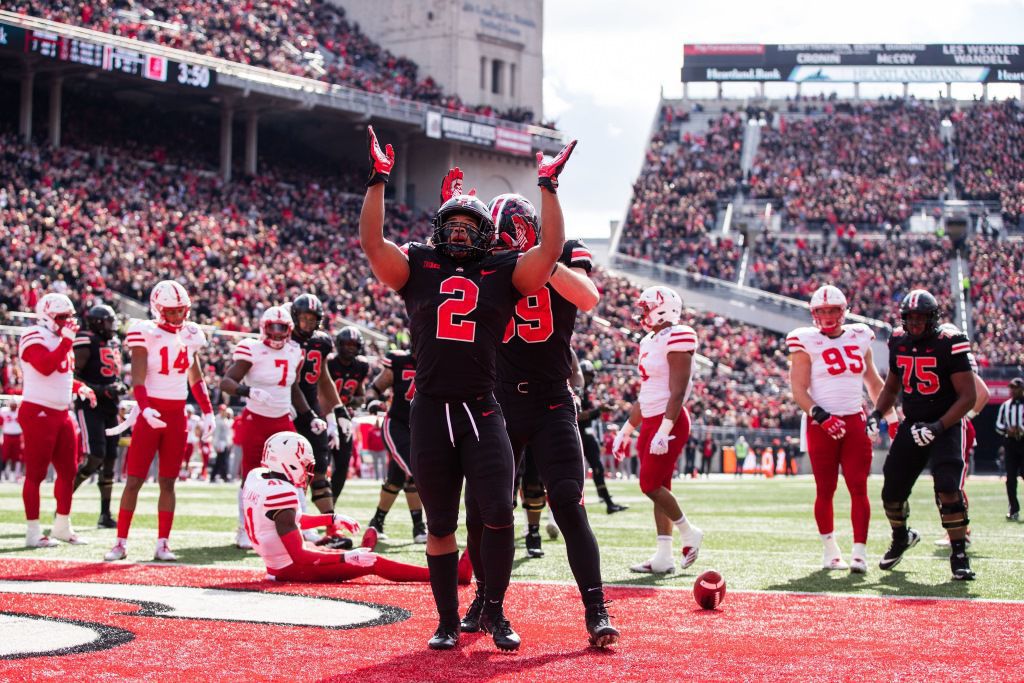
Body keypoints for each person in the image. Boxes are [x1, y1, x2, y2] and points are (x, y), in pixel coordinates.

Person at [359, 126, 572, 651]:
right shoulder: (419, 265)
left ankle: (494, 613)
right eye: (450, 224)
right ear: (437, 229)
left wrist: (547, 189)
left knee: (498, 514)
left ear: (484, 234)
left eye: (467, 225)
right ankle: (448, 621)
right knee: (440, 523)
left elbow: (549, 251)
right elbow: (371, 242)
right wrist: (377, 181)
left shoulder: (501, 269)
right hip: (431, 408)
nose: (457, 233)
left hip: (482, 406)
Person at [455, 185, 618, 648]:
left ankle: (596, 608)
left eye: (502, 239)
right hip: (497, 401)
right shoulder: (485, 261)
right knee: (483, 508)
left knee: (568, 500)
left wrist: (541, 259)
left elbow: (587, 297)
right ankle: (487, 602)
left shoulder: (561, 251)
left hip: (550, 400)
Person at [243, 431, 470, 584]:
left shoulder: (259, 478)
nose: (307, 471)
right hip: (292, 568)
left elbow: (289, 520)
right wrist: (346, 558)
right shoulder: (281, 493)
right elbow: (301, 555)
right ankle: (450, 577)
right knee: (372, 562)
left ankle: (362, 549)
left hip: (278, 565)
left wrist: (331, 518)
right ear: (288, 461)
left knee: (341, 552)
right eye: (304, 464)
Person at [868, 289, 977, 581]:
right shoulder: (898, 340)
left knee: (947, 488)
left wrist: (939, 427)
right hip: (914, 423)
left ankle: (959, 555)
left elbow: (968, 396)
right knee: (891, 489)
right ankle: (901, 537)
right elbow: (891, 387)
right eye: (910, 319)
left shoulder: (950, 342)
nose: (914, 325)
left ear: (933, 318)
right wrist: (876, 414)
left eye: (921, 319)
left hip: (945, 424)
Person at [787, 284, 895, 573]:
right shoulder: (805, 341)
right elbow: (798, 388)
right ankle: (831, 550)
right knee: (825, 489)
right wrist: (821, 416)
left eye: (832, 310)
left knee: (859, 486)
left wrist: (891, 417)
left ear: (844, 311)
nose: (827, 316)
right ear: (813, 314)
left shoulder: (860, 336)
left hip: (853, 419)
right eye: (821, 311)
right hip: (821, 423)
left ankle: (860, 552)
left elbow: (873, 383)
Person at [105, 281, 215, 562]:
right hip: (151, 413)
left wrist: (208, 410)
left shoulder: (190, 334)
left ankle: (163, 543)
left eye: (181, 311)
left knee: (169, 482)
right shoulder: (146, 332)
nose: (178, 317)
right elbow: (138, 378)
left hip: (177, 415)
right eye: (172, 312)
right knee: (134, 480)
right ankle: (120, 542)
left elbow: (196, 378)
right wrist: (145, 408)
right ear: (158, 310)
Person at [612, 286, 704, 575]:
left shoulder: (680, 334)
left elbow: (679, 390)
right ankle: (664, 556)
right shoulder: (649, 340)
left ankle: (689, 533)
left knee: (649, 484)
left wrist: (665, 429)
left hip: (669, 420)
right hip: (651, 419)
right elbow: (647, 392)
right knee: (660, 488)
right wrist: (627, 429)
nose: (641, 313)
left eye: (645, 307)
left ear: (662, 308)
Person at [219, 306, 308, 549]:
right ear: (264, 328)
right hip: (256, 419)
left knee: (295, 475)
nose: (278, 333)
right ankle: (245, 529)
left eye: (283, 328)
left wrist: (309, 415)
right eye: (274, 328)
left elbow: (294, 387)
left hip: (282, 420)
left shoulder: (295, 352)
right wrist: (248, 391)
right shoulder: (252, 349)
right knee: (249, 477)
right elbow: (226, 382)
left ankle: (301, 525)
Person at [18, 293, 95, 547]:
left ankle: (62, 525)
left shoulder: (60, 339)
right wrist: (65, 343)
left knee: (68, 471)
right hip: (38, 411)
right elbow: (44, 366)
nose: (67, 322)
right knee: (36, 474)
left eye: (69, 317)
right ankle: (32, 532)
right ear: (46, 317)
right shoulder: (34, 335)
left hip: (62, 412)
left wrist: (78, 387)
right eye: (61, 317)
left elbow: (60, 374)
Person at [288, 294, 346, 522]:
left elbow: (323, 378)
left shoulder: (321, 342)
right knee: (288, 468)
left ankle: (329, 525)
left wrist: (337, 411)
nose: (307, 325)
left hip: (310, 405)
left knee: (320, 468)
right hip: (285, 404)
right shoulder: (284, 335)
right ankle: (287, 522)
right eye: (304, 319)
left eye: (312, 320)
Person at [71, 304, 128, 529]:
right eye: (107, 321)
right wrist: (99, 389)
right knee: (95, 456)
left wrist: (118, 386)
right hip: (89, 404)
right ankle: (64, 501)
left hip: (109, 407)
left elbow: (112, 374)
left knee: (110, 459)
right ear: (96, 322)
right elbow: (72, 376)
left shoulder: (112, 343)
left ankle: (105, 514)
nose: (111, 326)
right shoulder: (86, 340)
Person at [362, 349, 427, 544]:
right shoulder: (399, 361)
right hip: (397, 424)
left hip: (423, 428)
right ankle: (421, 526)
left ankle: (377, 522)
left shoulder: (438, 359)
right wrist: (372, 401)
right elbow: (374, 388)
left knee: (396, 478)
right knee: (414, 470)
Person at [578, 360, 628, 513]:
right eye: (585, 376)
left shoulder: (586, 392)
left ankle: (608, 502)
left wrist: (600, 410)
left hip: (586, 433)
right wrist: (598, 410)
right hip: (576, 434)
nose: (587, 379)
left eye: (589, 376)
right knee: (575, 472)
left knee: (598, 467)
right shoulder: (575, 390)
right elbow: (578, 416)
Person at [325, 326, 368, 502]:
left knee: (342, 465)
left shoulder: (361, 366)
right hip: (324, 416)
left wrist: (351, 400)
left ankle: (331, 504)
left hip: (344, 419)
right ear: (338, 344)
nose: (350, 348)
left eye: (354, 344)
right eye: (347, 344)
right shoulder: (329, 362)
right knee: (319, 463)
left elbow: (361, 396)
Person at [996, 377, 1024, 521]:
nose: (1012, 390)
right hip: (1011, 444)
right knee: (1011, 478)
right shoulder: (1005, 405)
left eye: (1015, 388)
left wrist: (1021, 430)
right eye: (1011, 387)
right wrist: (1008, 430)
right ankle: (1013, 509)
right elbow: (998, 426)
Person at [210, 405, 234, 483]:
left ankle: (215, 476)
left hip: (225, 442)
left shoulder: (225, 419)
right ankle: (223, 476)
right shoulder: (217, 419)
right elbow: (216, 434)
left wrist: (229, 442)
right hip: (220, 443)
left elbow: (228, 433)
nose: (224, 412)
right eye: (222, 410)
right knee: (222, 460)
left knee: (221, 460)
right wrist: (216, 444)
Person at [1, 399, 24, 483]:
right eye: (12, 404)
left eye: (14, 404)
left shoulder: (20, 411)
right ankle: (2, 475)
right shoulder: (4, 411)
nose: (13, 406)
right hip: (7, 435)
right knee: (4, 456)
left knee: (17, 457)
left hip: (18, 436)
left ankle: (15, 475)